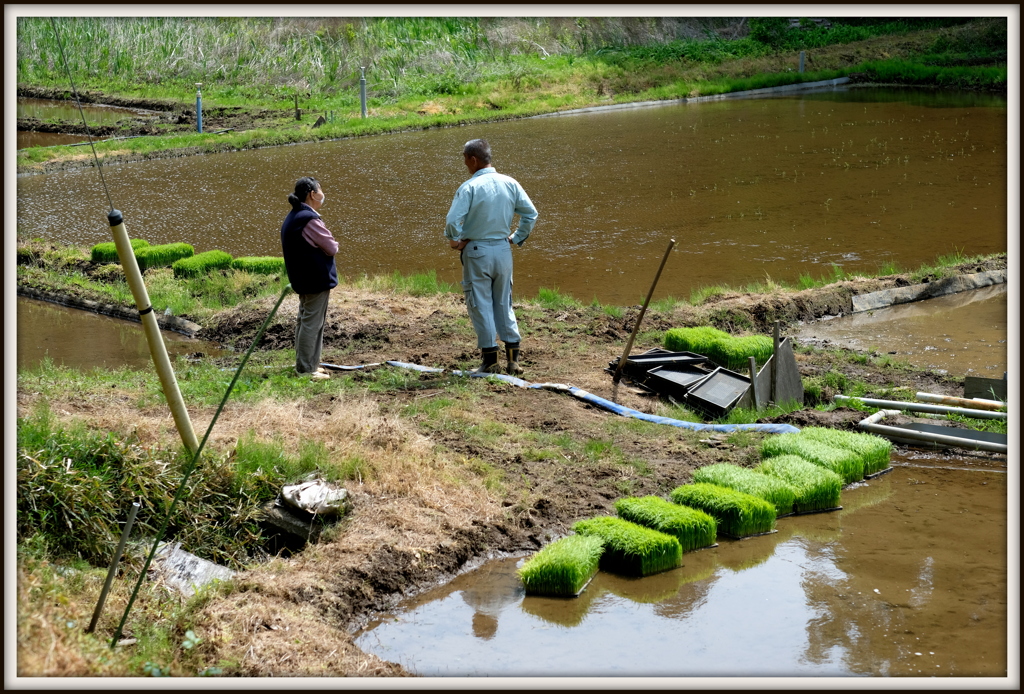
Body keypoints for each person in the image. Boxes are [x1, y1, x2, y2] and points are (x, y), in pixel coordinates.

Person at [445, 138, 539, 374]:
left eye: (465, 158)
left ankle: (490, 361)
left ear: (473, 159)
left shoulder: (469, 187)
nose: (465, 163)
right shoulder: (511, 183)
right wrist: (516, 237)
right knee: (503, 301)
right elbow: (531, 214)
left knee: (480, 303)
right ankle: (513, 360)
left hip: (477, 252)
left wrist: (455, 241)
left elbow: (451, 221)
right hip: (503, 249)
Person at [281, 176, 338, 380]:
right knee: (312, 323)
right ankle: (306, 369)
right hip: (315, 279)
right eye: (320, 190)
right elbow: (331, 247)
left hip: (303, 279)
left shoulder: (294, 216)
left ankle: (308, 364)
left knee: (305, 321)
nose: (323, 193)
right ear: (312, 194)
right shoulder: (309, 219)